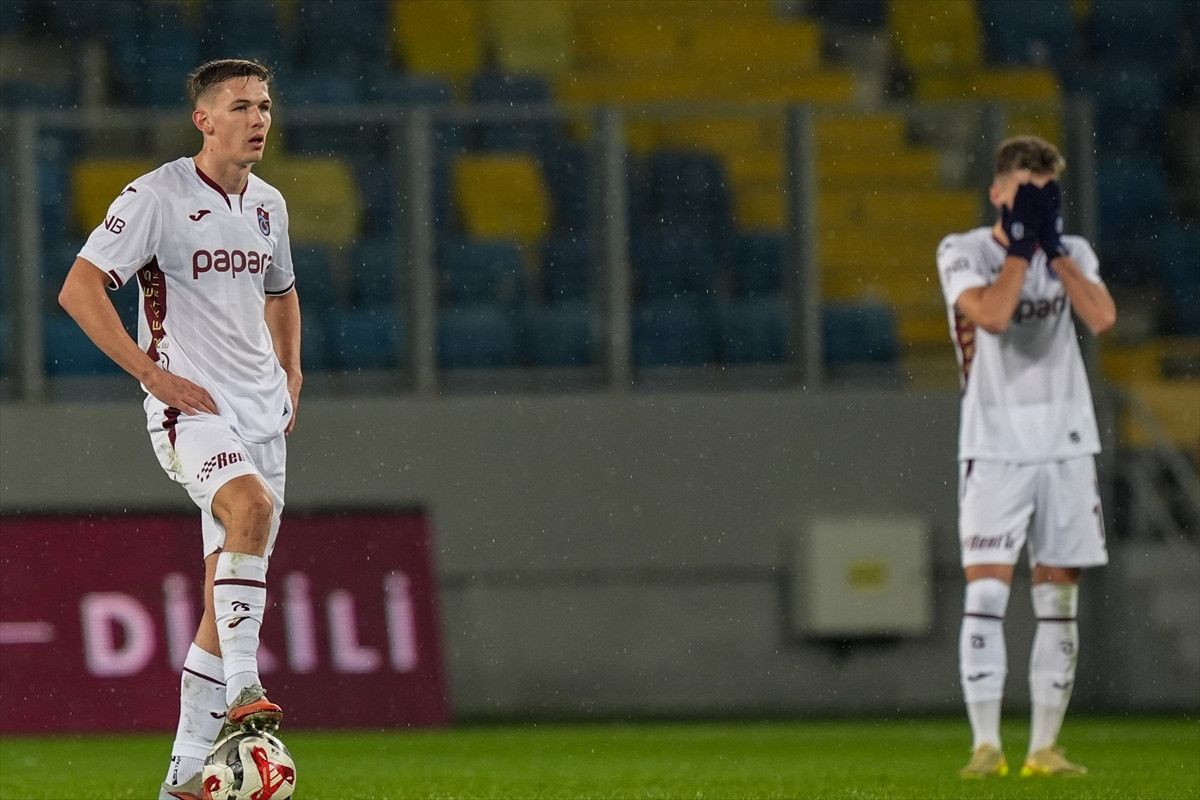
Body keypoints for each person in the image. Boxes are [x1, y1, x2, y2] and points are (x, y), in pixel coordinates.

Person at [57, 58, 302, 800]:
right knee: (250, 508)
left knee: (217, 606)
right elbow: (79, 288)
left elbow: (281, 292)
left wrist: (292, 372)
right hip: (190, 408)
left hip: (262, 415)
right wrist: (150, 373)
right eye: (242, 106)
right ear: (204, 119)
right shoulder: (156, 196)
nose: (258, 119)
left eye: (265, 106)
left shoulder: (269, 205)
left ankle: (181, 782)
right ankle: (246, 688)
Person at [936, 135, 1117, 779]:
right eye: (1023, 193)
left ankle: (1043, 747)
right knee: (987, 589)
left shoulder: (1073, 253)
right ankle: (985, 744)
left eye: (1044, 195)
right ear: (997, 192)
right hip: (995, 443)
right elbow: (991, 315)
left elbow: (1102, 317)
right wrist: (1018, 248)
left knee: (1058, 599)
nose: (1034, 206)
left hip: (1065, 442)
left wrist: (1054, 250)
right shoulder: (963, 252)